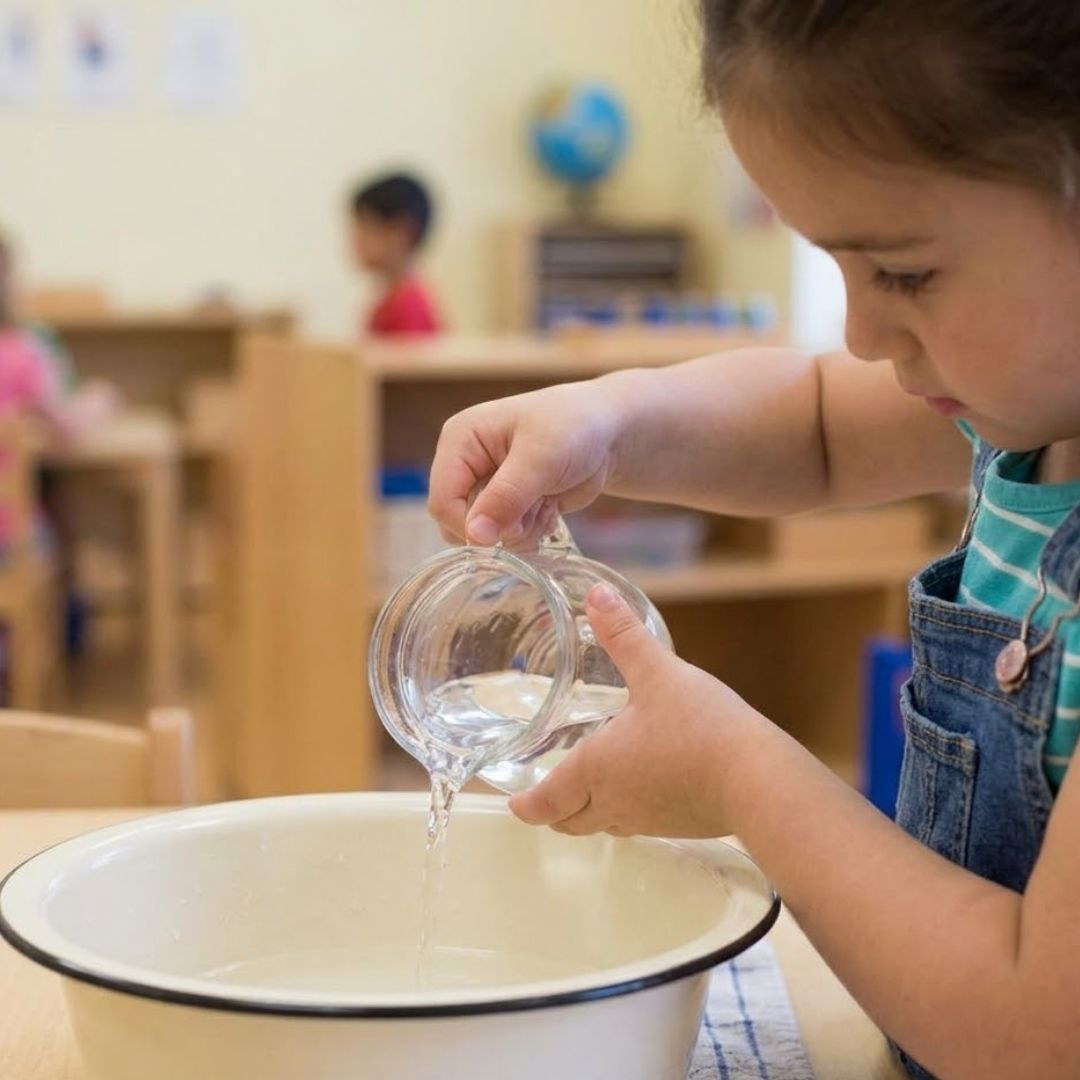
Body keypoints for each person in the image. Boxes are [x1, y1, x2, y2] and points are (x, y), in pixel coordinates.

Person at [426, 3, 1080, 1077]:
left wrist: (737, 774)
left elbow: (1039, 1031)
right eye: (838, 267)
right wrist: (612, 419)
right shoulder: (1032, 405)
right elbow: (818, 424)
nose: (863, 333)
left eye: (906, 274)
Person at [348, 171, 442, 337]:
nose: (356, 240)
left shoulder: (409, 306)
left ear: (401, 231)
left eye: (366, 228)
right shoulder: (388, 303)